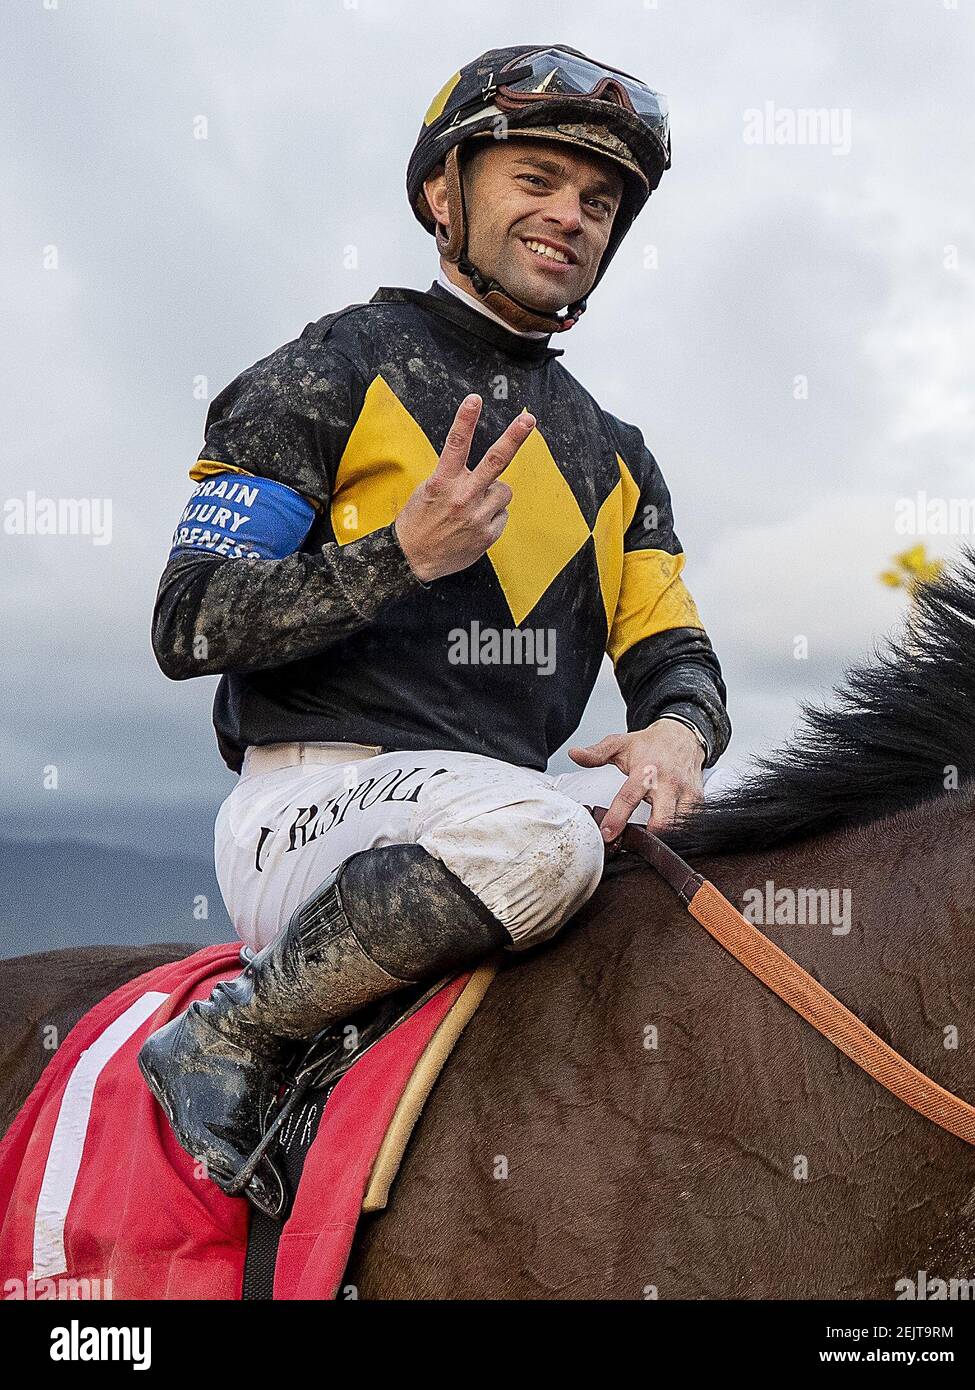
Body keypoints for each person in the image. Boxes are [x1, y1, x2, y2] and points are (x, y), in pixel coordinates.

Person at [138, 44, 732, 1217]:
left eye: (597, 201)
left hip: (492, 815)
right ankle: (229, 1033)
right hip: (309, 810)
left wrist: (675, 733)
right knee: (546, 841)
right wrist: (398, 557)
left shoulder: (618, 454)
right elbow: (187, 619)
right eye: (536, 179)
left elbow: (674, 653)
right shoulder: (324, 370)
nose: (570, 215)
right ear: (441, 193)